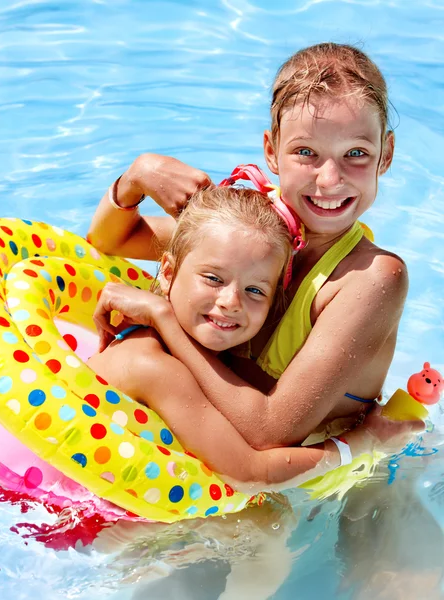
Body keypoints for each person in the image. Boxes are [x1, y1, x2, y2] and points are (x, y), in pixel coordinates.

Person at [88, 43, 418, 465]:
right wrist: (136, 176)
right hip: (215, 455)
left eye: (356, 154)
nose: (330, 179)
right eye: (305, 152)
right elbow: (110, 240)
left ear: (385, 155)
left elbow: (271, 433)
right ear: (271, 149)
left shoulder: (372, 277)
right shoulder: (251, 232)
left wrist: (162, 317)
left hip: (321, 481)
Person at [88, 185, 400, 493]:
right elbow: (251, 474)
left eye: (255, 290)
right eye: (213, 279)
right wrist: (367, 440)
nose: (231, 301)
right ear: (168, 272)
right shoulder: (152, 364)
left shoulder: (179, 351)